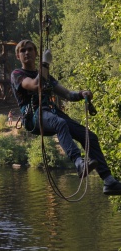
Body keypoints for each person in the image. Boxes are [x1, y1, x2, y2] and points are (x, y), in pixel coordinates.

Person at [11, 39, 121, 195]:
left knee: (89, 136)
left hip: (52, 113)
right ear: (18, 56)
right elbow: (36, 85)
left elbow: (68, 94)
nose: (26, 53)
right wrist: (45, 64)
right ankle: (78, 163)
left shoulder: (47, 76)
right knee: (60, 123)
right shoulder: (17, 74)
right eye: (23, 51)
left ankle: (109, 181)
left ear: (36, 53)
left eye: (30, 49)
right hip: (35, 116)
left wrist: (81, 94)